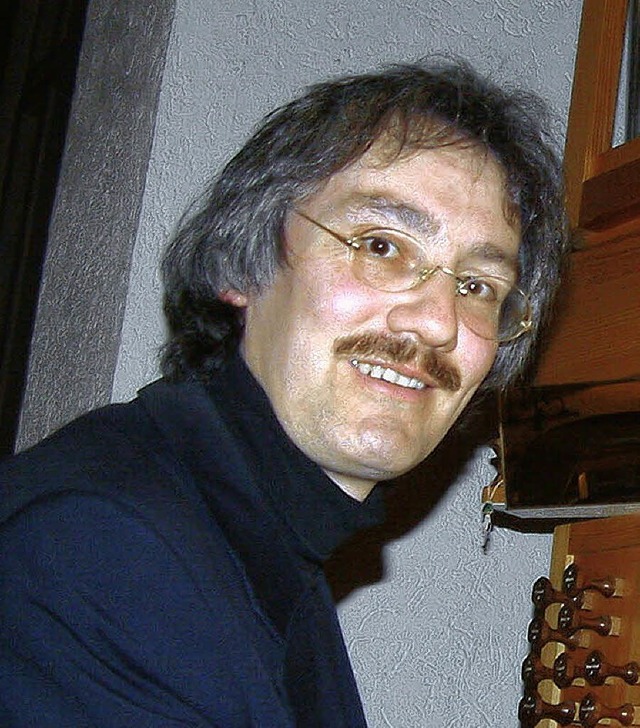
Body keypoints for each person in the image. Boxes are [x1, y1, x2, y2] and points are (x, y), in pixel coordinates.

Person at [0, 59, 569, 726]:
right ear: (246, 262)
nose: (439, 320)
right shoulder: (101, 546)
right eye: (382, 245)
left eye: (477, 285)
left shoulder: (262, 548)